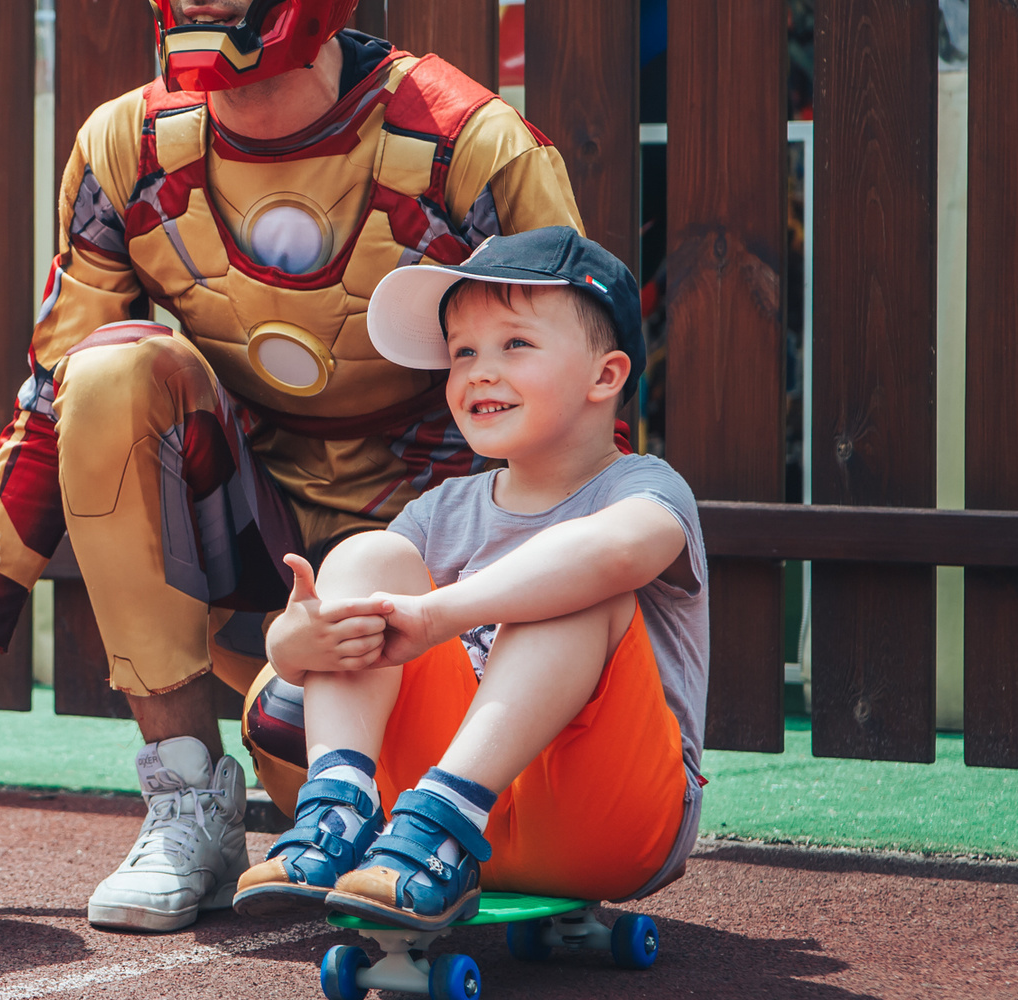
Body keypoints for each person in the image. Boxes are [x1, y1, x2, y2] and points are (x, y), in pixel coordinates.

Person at [0, 0, 586, 932]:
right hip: (252, 527)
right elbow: (46, 418)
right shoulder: (130, 147)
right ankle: (186, 800)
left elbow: (581, 419)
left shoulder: (466, 146)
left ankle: (370, 763)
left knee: (333, 785)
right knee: (102, 376)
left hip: (432, 543)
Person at [232, 228, 706, 923]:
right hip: (417, 826)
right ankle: (337, 811)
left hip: (606, 818)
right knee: (367, 560)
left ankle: (443, 814)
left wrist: (436, 616)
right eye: (463, 352)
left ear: (605, 376)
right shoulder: (439, 512)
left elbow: (618, 554)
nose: (480, 370)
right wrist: (291, 648)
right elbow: (346, 634)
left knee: (572, 590)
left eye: (515, 344)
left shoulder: (644, 488)